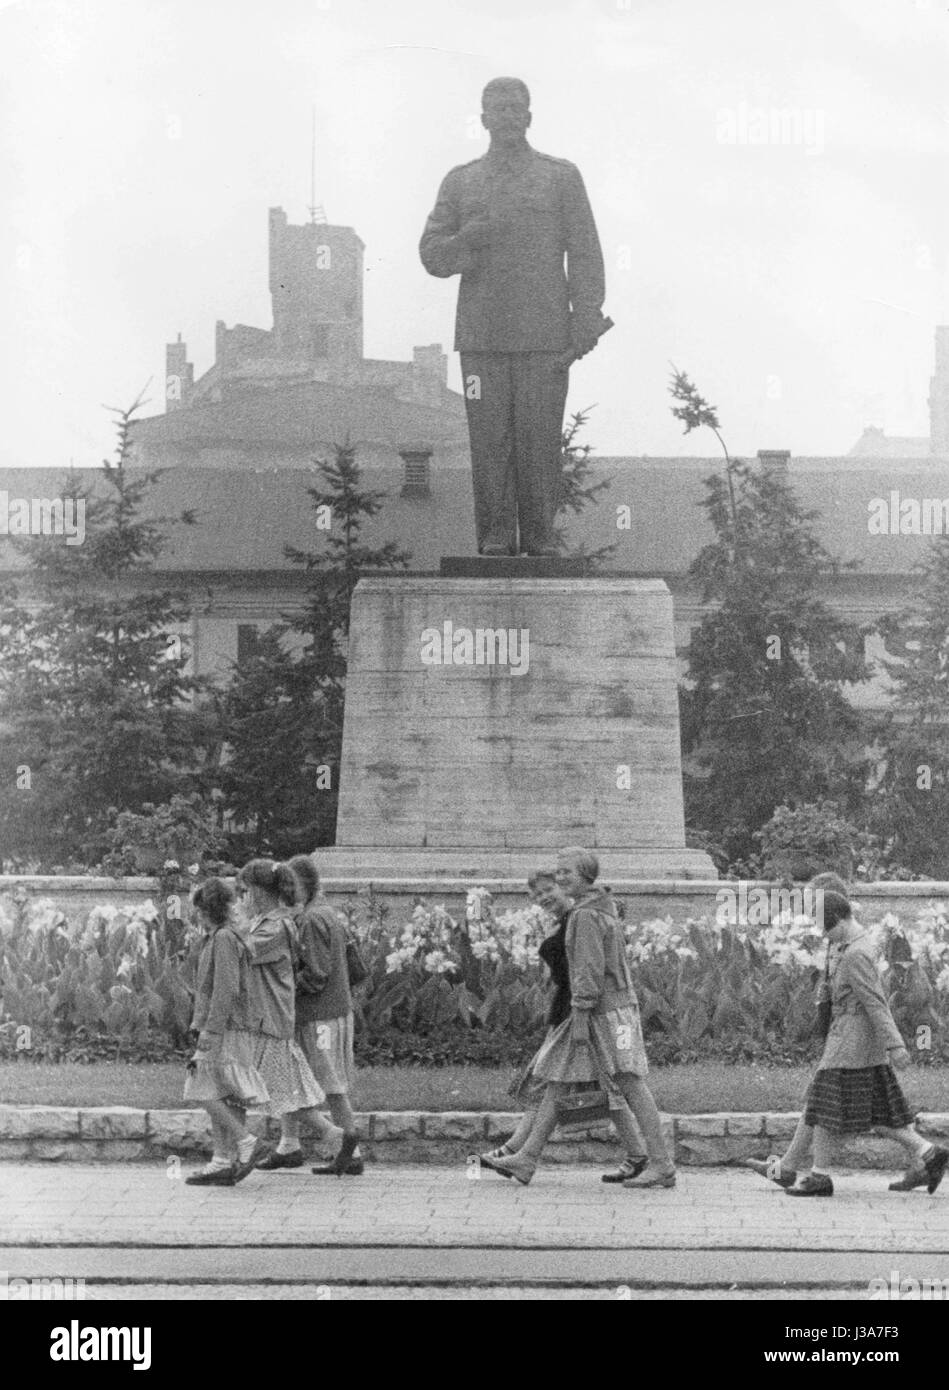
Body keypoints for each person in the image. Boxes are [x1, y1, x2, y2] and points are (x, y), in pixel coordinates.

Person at [419, 77, 610, 556]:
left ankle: (541, 537)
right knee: (488, 444)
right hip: (482, 338)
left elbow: (584, 252)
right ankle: (496, 537)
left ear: (529, 115)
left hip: (545, 335)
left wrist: (585, 317)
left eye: (515, 107)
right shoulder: (460, 182)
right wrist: (469, 239)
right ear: (482, 119)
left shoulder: (560, 176)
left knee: (539, 441)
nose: (506, 116)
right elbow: (432, 256)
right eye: (496, 109)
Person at [482, 847, 674, 1188]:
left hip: (600, 1014)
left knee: (628, 1082)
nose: (560, 878)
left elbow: (587, 972)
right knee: (563, 1080)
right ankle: (525, 1158)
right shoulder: (603, 908)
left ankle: (661, 1164)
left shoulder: (585, 916)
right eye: (558, 872)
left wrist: (582, 1017)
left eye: (566, 872)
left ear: (585, 875)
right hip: (619, 1012)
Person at [780, 891, 948, 1197]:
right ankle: (928, 1154)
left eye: (826, 927)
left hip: (851, 1044)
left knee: (824, 1106)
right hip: (850, 1040)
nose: (823, 934)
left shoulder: (857, 953)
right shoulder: (847, 944)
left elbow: (875, 1002)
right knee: (877, 1113)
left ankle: (819, 1176)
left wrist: (896, 1045)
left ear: (842, 919)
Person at [258, 856, 362, 1177]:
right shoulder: (327, 914)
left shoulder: (312, 920)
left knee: (329, 1084)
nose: (287, 891)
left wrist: (284, 992)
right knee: (293, 1077)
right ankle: (289, 1145)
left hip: (319, 1018)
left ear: (307, 885)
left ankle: (351, 1152)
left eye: (293, 885)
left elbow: (316, 974)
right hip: (331, 1013)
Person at [235, 859, 333, 1171]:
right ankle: (325, 1137)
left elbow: (235, 952)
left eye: (244, 893)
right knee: (282, 1091)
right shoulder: (272, 923)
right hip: (267, 1021)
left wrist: (224, 924)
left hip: (269, 1023)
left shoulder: (273, 928)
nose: (241, 900)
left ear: (259, 894)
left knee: (272, 1091)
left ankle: (335, 1135)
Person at [183, 877, 273, 1186]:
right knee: (228, 1095)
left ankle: (247, 1143)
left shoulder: (223, 939)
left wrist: (210, 1031)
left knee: (198, 1086)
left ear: (204, 909)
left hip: (226, 1028)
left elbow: (225, 989)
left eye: (197, 909)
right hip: (235, 1027)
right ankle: (222, 1160)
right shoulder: (227, 936)